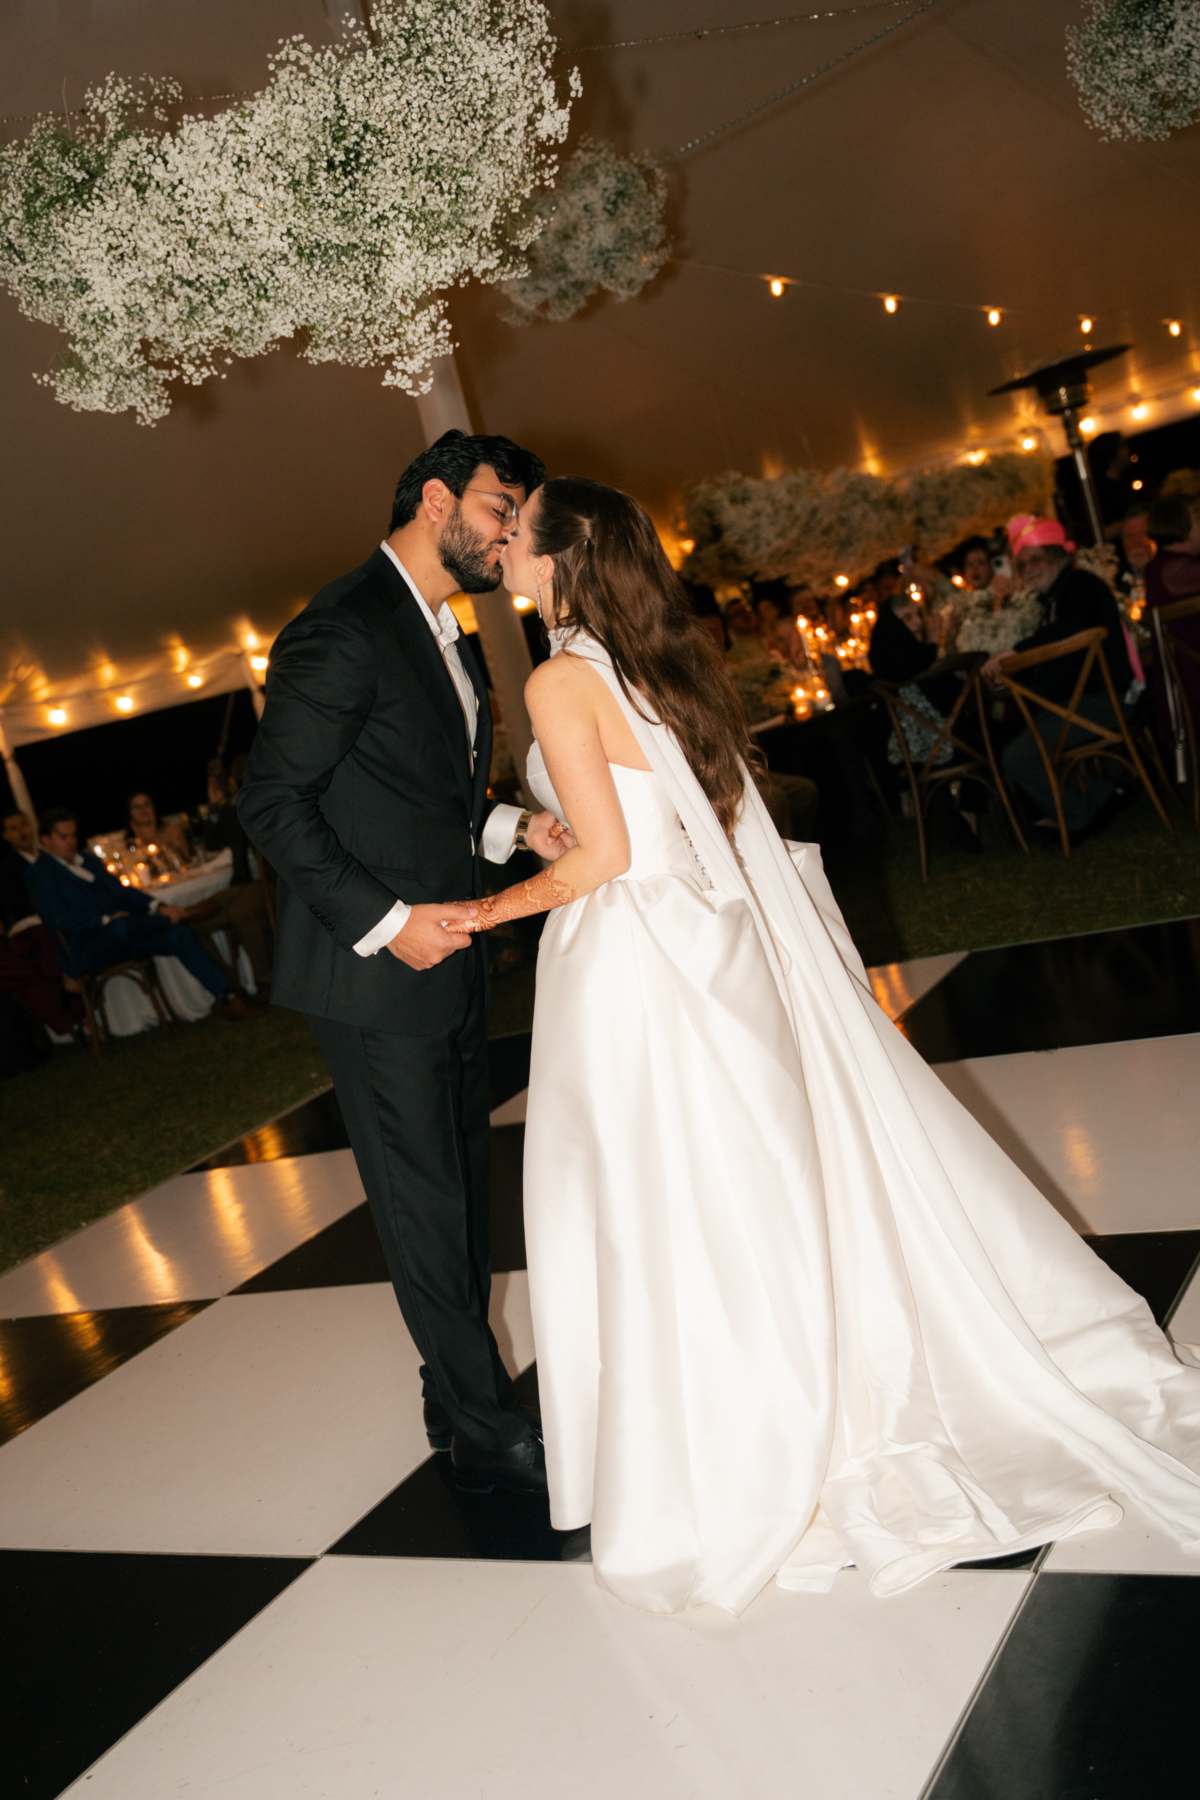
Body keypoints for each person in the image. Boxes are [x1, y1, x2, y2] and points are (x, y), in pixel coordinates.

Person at [444, 473, 1200, 1618]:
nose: (497, 540)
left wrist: (477, 915)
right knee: (738, 1183)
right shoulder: (653, 656)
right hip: (710, 948)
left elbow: (605, 859)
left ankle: (729, 1438)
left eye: (514, 527)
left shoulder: (557, 675)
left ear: (558, 558)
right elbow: (666, 816)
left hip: (636, 965)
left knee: (666, 1201)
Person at [237, 428, 572, 1498]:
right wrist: (389, 921)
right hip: (377, 974)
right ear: (434, 499)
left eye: (515, 517)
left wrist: (518, 832)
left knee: (460, 1187)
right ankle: (487, 1422)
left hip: (452, 955)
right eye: (496, 509)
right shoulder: (341, 630)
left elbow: (424, 803)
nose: (507, 532)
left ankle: (451, 1386)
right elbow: (271, 806)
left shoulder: (448, 632)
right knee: (425, 1203)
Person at [25, 808, 259, 1019]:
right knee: (122, 924)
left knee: (178, 934)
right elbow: (57, 917)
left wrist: (157, 906)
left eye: (73, 835)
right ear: (46, 841)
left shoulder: (86, 860)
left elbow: (123, 891)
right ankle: (180, 915)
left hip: (127, 934)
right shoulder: (40, 874)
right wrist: (104, 920)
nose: (71, 842)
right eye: (63, 837)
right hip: (88, 947)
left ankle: (228, 997)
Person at [985, 516, 1135, 842]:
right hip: (1083, 702)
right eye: (1022, 565)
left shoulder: (1079, 587)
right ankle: (1107, 792)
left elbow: (1067, 637)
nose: (1029, 569)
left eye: (1036, 558)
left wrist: (1015, 654)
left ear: (1058, 555)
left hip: (1104, 702)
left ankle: (1083, 814)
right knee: (1011, 732)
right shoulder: (1057, 597)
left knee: (1018, 757)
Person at [0, 809, 87, 1040]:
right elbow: (18, 905)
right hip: (31, 922)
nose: (21, 831)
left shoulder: (49, 855)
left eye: (23, 825)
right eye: (13, 828)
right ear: (6, 836)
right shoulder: (7, 868)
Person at [195, 755, 274, 995]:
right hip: (245, 882)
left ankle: (266, 982)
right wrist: (216, 806)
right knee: (198, 920)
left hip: (273, 883)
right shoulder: (234, 807)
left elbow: (248, 812)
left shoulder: (264, 799)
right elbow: (213, 843)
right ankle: (230, 985)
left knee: (241, 913)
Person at [1144, 493, 1200, 765]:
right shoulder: (1176, 570)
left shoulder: (1163, 566)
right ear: (1179, 528)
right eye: (1198, 519)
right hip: (1192, 684)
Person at [125, 791, 190, 862]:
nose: (142, 809)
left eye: (146, 804)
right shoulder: (126, 842)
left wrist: (155, 835)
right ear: (130, 812)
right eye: (136, 807)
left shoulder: (172, 830)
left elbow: (185, 857)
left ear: (153, 807)